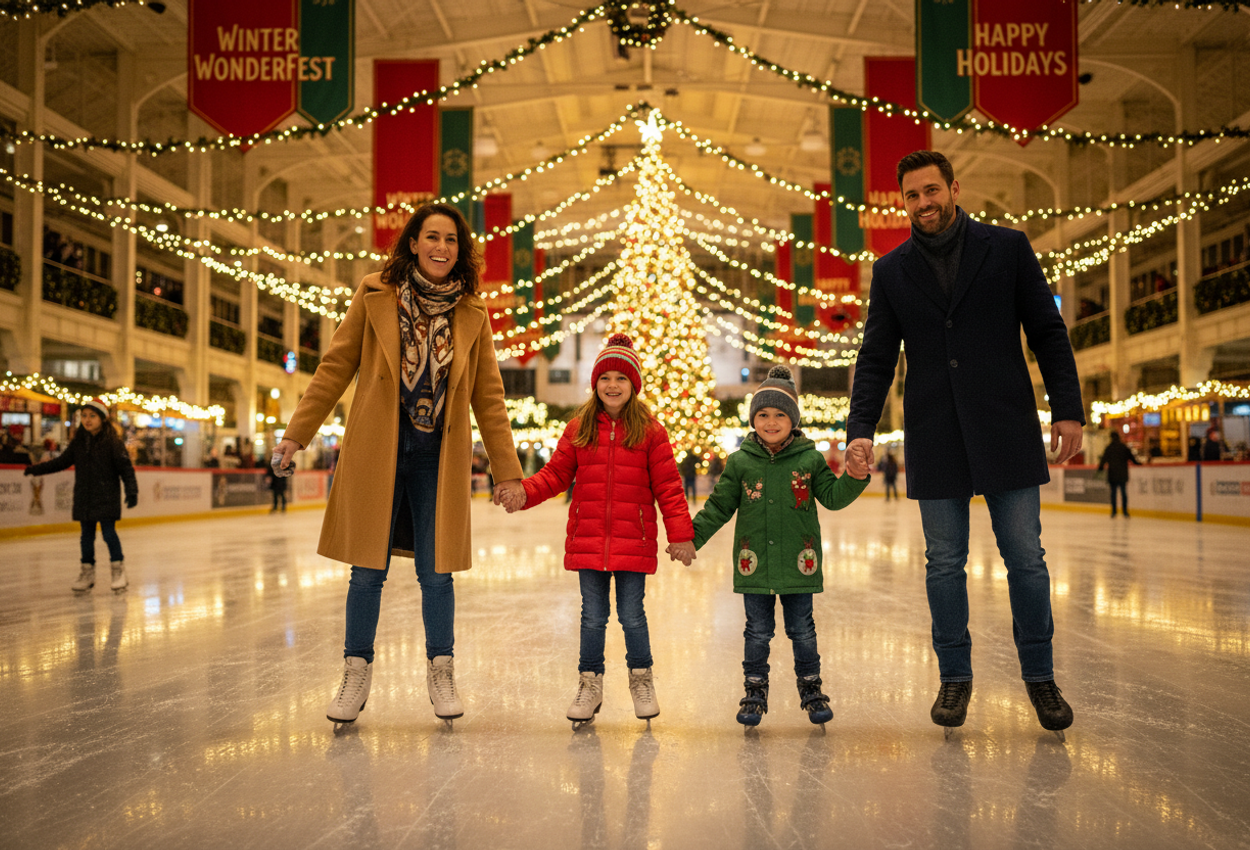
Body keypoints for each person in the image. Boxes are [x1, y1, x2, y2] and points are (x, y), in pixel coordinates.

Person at [846, 150, 1085, 739]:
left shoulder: (1006, 248)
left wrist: (1069, 410)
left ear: (954, 187)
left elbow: (1047, 333)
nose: (923, 203)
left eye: (932, 190)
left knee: (1026, 560)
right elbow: (876, 357)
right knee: (944, 565)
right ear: (902, 202)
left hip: (1005, 426)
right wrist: (860, 429)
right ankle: (954, 677)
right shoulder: (892, 270)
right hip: (936, 433)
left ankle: (1041, 677)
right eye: (912, 196)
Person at [272, 202, 524, 727]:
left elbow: (489, 397)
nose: (441, 248)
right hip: (378, 448)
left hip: (439, 455)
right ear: (412, 242)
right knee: (367, 572)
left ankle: (441, 670)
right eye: (431, 237)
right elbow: (335, 366)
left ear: (461, 250)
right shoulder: (374, 296)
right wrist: (297, 434)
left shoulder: (473, 312)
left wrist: (508, 472)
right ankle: (355, 671)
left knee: (438, 574)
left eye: (451, 240)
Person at [498, 334, 694, 726]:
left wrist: (681, 535)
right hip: (588, 539)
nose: (613, 385)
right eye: (605, 377)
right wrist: (524, 492)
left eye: (622, 378)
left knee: (632, 615)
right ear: (595, 383)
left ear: (633, 385)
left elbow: (669, 487)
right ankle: (590, 684)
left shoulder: (651, 432)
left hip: (632, 541)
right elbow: (555, 475)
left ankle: (641, 680)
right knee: (592, 617)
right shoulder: (578, 428)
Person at [691, 366, 870, 727]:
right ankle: (755, 691)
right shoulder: (741, 462)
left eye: (779, 415)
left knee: (802, 630)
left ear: (793, 420)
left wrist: (854, 476)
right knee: (757, 631)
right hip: (753, 564)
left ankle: (810, 687)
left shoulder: (810, 459)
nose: (771, 422)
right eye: (763, 414)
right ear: (753, 418)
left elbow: (833, 499)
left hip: (797, 563)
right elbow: (719, 506)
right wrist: (690, 538)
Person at [23, 399, 138, 592]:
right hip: (84, 496)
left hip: (106, 495)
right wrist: (37, 469)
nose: (87, 420)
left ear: (102, 418)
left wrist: (131, 490)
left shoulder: (113, 442)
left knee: (109, 534)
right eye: (84, 416)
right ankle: (87, 573)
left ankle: (118, 572)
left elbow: (125, 468)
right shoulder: (79, 442)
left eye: (92, 416)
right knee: (86, 537)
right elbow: (62, 462)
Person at [1097, 431, 1140, 518]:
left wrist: (1100, 468)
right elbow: (1132, 458)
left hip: (1112, 474)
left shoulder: (1109, 448)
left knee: (1113, 493)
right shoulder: (1123, 447)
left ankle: (1114, 511)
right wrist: (1139, 464)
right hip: (1122, 474)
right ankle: (1125, 511)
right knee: (1123, 493)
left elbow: (1104, 459)